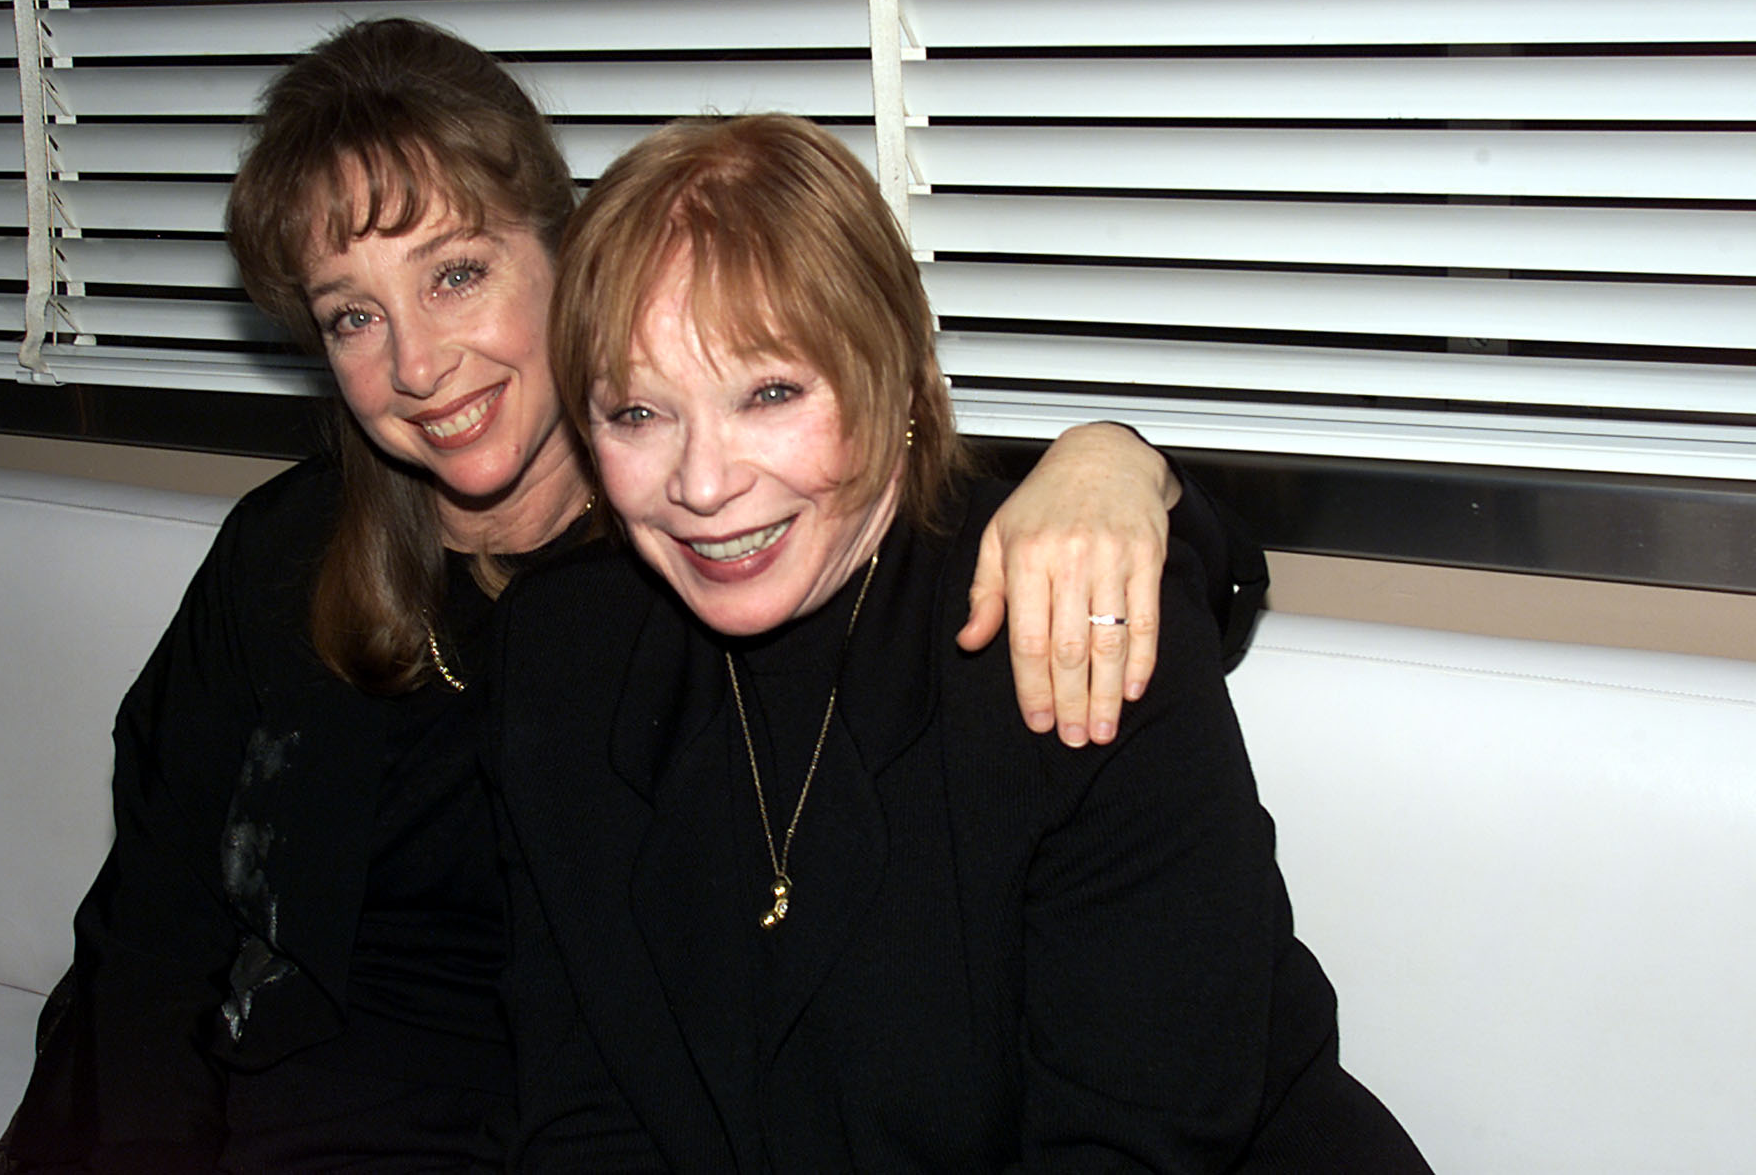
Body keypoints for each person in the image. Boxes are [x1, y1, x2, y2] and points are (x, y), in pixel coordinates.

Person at [0, 20, 1218, 1174]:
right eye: (354, 315)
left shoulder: (701, 575)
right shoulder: (304, 560)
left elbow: (970, 532)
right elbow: (152, 921)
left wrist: (1119, 462)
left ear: (564, 256)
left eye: (454, 274)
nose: (416, 363)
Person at [494, 112, 1430, 1171]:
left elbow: (1131, 1147)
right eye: (635, 413)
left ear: (893, 376)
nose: (702, 484)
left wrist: (1117, 454)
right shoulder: (565, 654)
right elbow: (583, 1103)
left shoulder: (1068, 620)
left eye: (770, 393)